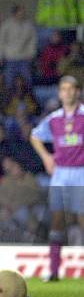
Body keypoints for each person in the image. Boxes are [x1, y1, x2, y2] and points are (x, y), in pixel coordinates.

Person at [30, 76, 83, 281]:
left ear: (78, 92)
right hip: (61, 173)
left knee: (82, 219)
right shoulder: (54, 119)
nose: (68, 92)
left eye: (71, 89)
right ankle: (53, 271)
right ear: (60, 93)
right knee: (57, 221)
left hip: (81, 171)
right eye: (64, 89)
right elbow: (35, 136)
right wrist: (46, 157)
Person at [0, 5, 37, 88]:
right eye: (20, 12)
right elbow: (1, 41)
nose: (23, 14)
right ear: (15, 13)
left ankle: (29, 99)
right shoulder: (6, 25)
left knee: (27, 80)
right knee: (9, 81)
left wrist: (31, 54)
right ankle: (11, 99)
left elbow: (32, 41)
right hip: (10, 58)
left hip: (24, 58)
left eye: (23, 12)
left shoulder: (29, 25)